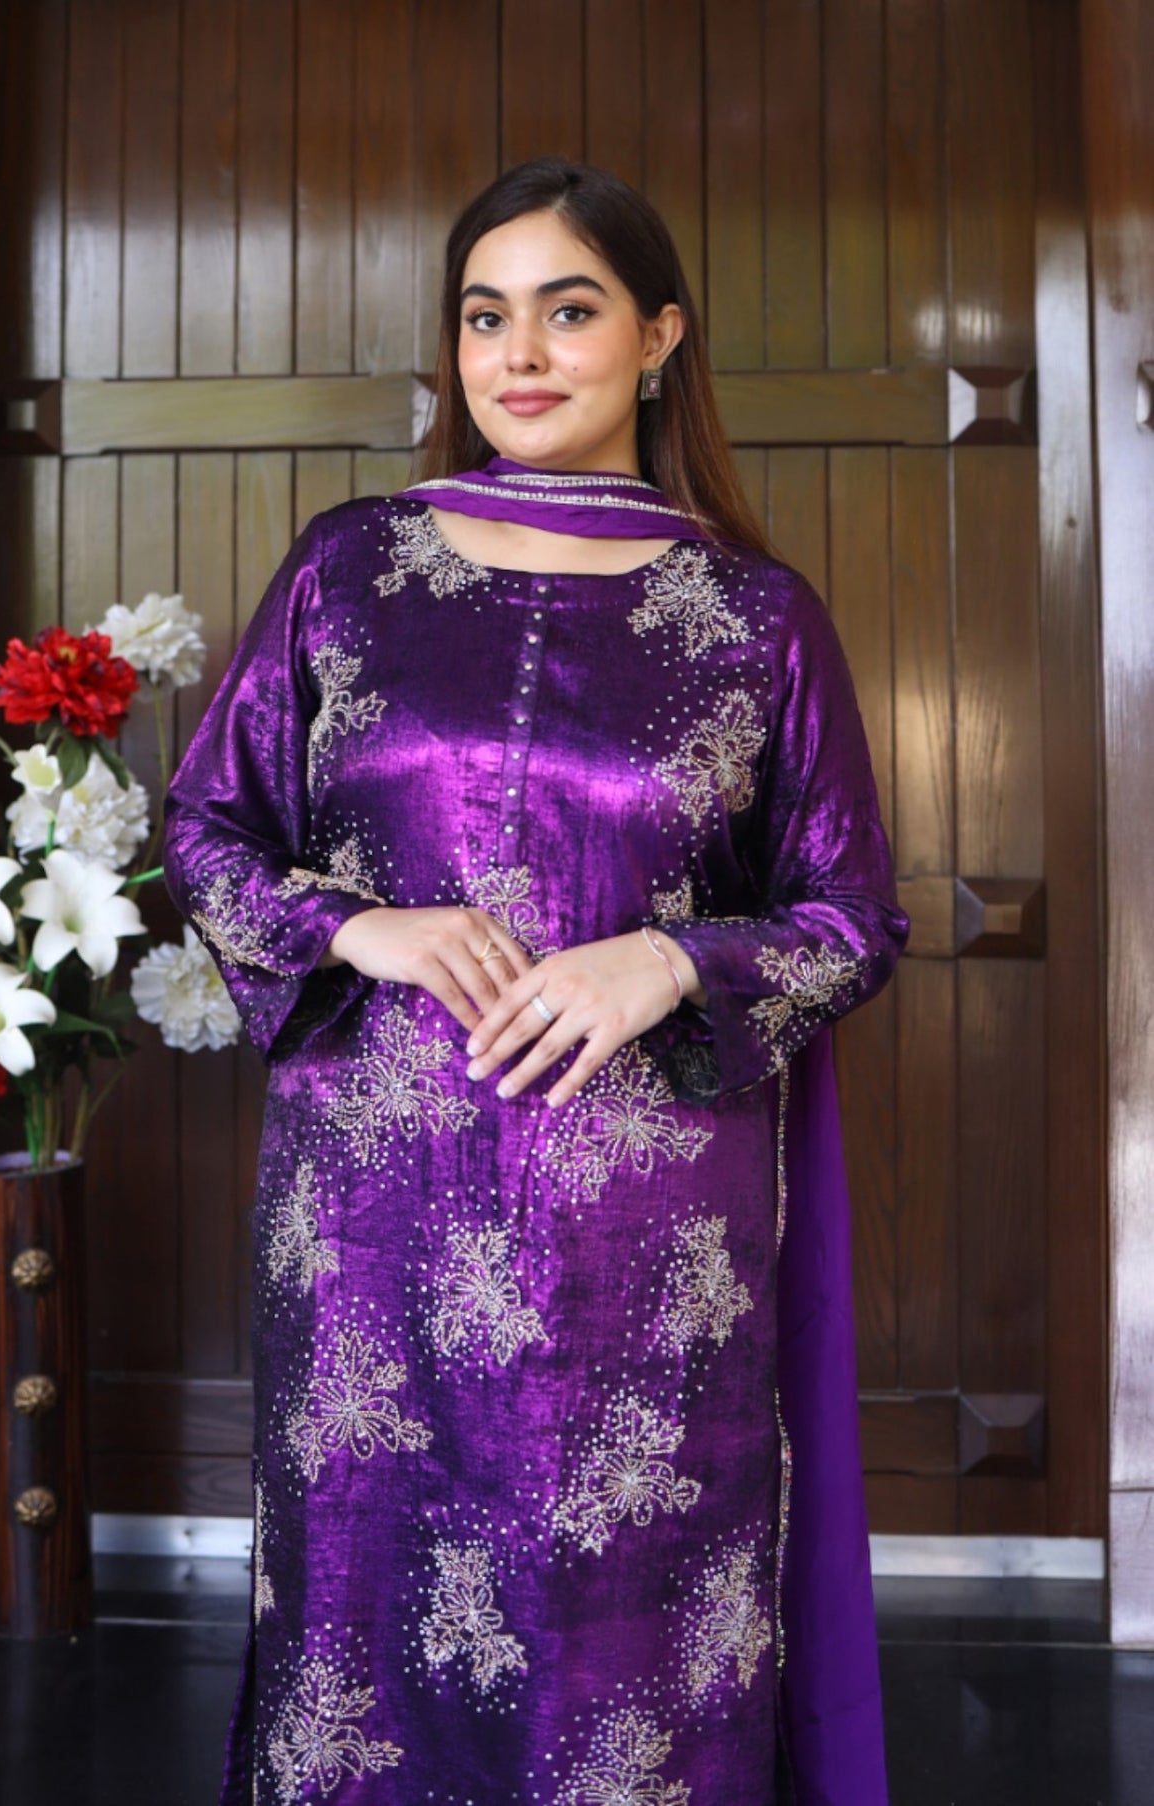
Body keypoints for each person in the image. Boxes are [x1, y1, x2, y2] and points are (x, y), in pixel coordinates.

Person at [164, 155, 909, 1806]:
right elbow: (207, 832)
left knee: (620, 1644)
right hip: (371, 1229)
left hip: (644, 1261)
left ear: (657, 336)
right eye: (484, 314)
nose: (517, 352)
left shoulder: (752, 615)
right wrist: (365, 927)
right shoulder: (348, 568)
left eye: (566, 311)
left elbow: (853, 915)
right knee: (366, 1616)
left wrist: (670, 954)